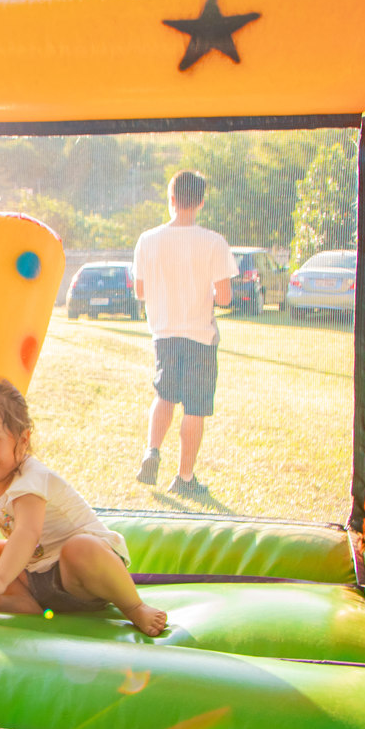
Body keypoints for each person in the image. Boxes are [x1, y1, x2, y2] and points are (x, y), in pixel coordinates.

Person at [0, 380, 168, 637]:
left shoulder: (32, 479)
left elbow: (27, 533)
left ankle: (135, 606)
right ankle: (23, 604)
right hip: (41, 578)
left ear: (22, 440)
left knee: (79, 547)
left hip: (84, 576)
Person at [132, 170, 238, 499]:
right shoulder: (213, 242)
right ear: (202, 201)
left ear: (171, 198)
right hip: (200, 336)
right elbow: (225, 298)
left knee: (164, 395)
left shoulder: (147, 240)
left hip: (164, 333)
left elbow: (139, 291)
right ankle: (184, 477)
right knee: (194, 407)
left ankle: (152, 451)